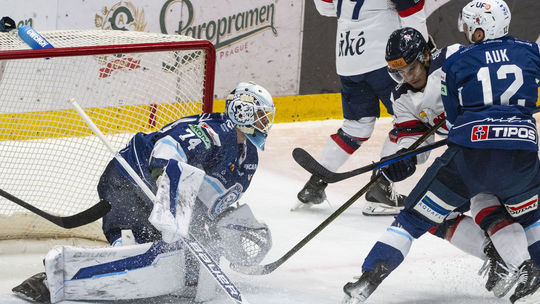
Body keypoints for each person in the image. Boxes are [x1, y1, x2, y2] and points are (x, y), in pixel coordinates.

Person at [342, 1, 540, 303]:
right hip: (504, 148)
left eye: (410, 67)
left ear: (425, 55)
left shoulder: (453, 58)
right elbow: (411, 141)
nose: (407, 76)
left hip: (467, 154)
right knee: (461, 213)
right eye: (399, 72)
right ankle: (503, 256)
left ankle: (513, 261)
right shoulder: (404, 98)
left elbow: (463, 108)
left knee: (421, 214)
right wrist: (402, 161)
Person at [12, 82, 276, 303]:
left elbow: (211, 199)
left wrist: (229, 226)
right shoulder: (212, 132)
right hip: (130, 180)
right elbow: (168, 148)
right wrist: (166, 183)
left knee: (181, 267)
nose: (267, 122)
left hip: (160, 199)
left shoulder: (248, 155)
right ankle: (52, 278)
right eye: (262, 115)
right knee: (131, 250)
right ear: (243, 111)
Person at [298, 0, 429, 215]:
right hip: (384, 59)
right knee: (409, 121)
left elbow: (324, 7)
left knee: (356, 126)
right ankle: (381, 185)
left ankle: (316, 183)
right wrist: (422, 50)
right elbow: (411, 10)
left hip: (347, 56)